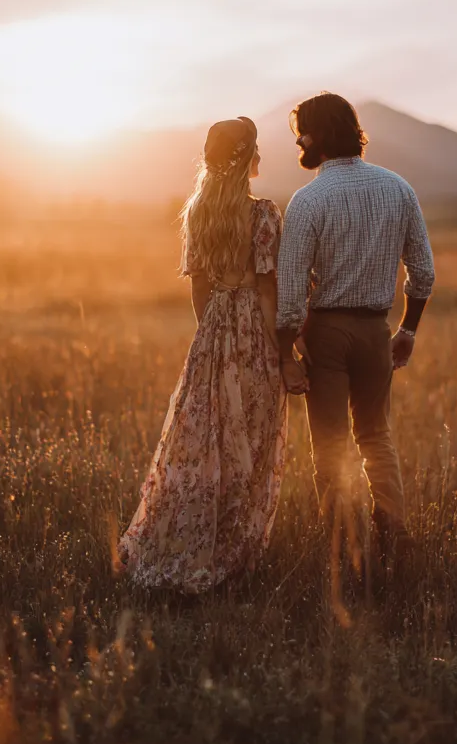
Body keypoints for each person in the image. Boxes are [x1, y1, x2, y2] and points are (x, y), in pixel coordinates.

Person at [119, 116, 286, 593]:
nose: (260, 157)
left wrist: (211, 340)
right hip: (253, 330)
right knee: (249, 443)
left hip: (212, 332)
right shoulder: (264, 215)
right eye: (255, 149)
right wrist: (279, 349)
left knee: (205, 442)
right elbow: (269, 289)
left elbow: (200, 291)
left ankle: (192, 541)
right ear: (247, 158)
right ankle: (236, 552)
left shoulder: (197, 212)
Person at [275, 92, 435, 557]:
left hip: (325, 334)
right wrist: (407, 330)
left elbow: (288, 299)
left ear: (319, 136)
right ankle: (394, 538)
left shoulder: (307, 201)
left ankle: (342, 548)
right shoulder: (399, 188)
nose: (298, 140)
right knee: (376, 437)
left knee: (329, 445)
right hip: (376, 332)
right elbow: (423, 272)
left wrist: (287, 353)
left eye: (301, 131)